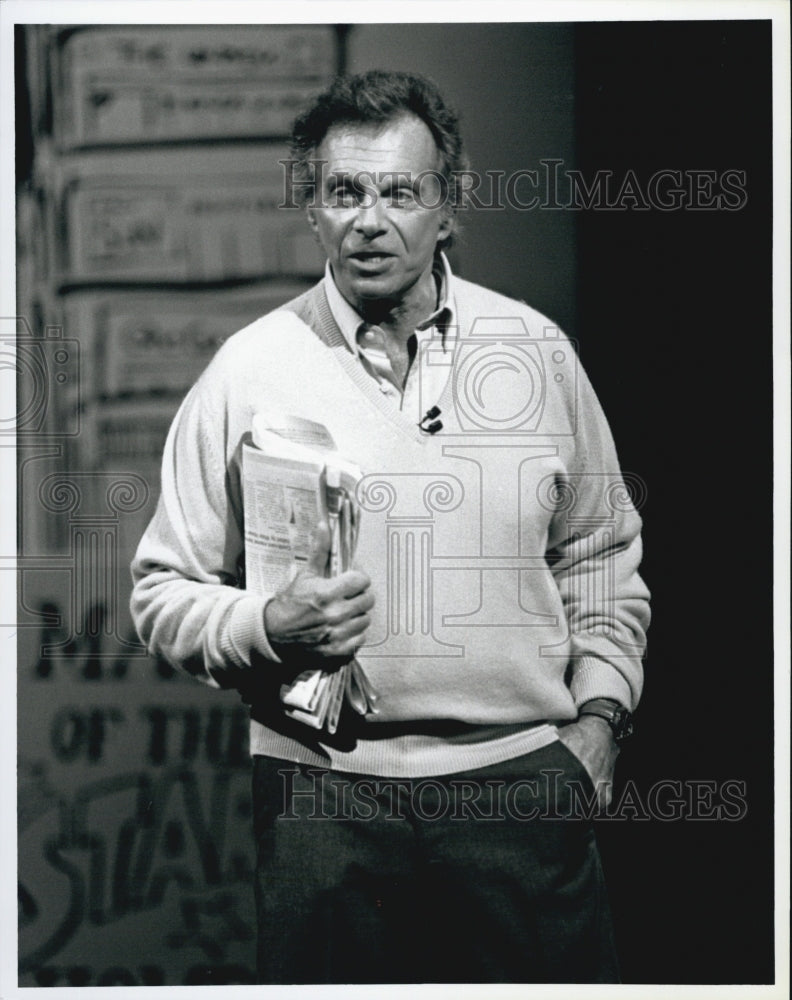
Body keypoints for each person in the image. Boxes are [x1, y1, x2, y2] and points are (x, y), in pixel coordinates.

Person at [131, 69, 650, 984]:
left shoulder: (533, 352)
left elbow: (601, 552)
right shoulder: (249, 369)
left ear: (445, 209)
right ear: (314, 211)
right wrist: (263, 626)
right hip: (321, 803)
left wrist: (599, 725)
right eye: (344, 192)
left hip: (521, 790)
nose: (370, 220)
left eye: (400, 192)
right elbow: (161, 590)